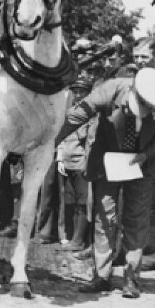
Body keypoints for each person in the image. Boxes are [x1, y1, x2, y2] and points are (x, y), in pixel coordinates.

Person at [60, 68, 155, 299]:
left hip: (141, 164)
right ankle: (101, 276)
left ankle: (131, 278)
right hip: (108, 159)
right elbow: (76, 116)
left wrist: (147, 154)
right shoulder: (110, 90)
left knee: (137, 219)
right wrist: (50, 140)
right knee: (106, 218)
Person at [47, 75, 94, 250]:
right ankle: (71, 235)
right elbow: (63, 136)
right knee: (69, 201)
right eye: (75, 92)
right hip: (67, 161)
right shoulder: (71, 112)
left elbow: (89, 139)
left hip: (82, 162)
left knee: (83, 203)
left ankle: (79, 240)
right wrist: (60, 156)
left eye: (82, 92)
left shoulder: (91, 114)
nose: (78, 95)